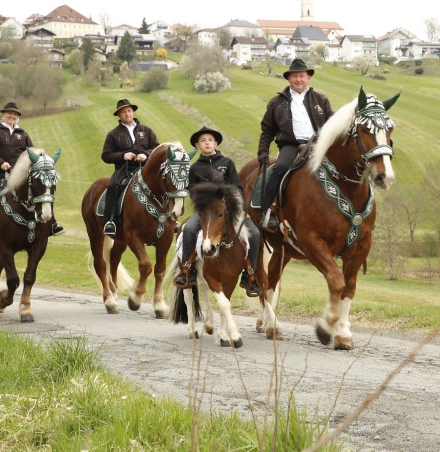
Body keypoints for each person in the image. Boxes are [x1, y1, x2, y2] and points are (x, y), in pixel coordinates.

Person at [173, 126, 261, 296]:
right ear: (198, 145)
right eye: (203, 140)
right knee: (189, 229)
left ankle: (250, 275)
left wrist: (230, 202)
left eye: (210, 140)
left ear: (216, 143)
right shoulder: (195, 168)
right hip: (206, 212)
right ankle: (186, 272)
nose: (207, 143)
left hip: (229, 210)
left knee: (255, 234)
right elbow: (191, 191)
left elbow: (237, 186)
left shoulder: (226, 162)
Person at [0, 102, 64, 244]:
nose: (12, 116)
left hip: (20, 174)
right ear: (3, 114)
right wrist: (1, 163)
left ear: (18, 117)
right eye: (9, 113)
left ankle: (52, 225)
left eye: (15, 114)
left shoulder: (23, 134)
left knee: (43, 191)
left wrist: (41, 158)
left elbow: (31, 152)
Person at [257, 58, 334, 230]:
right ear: (288, 79)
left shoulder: (321, 100)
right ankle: (269, 210)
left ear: (308, 78)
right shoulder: (276, 103)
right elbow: (267, 129)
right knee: (280, 168)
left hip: (318, 144)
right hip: (291, 146)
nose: (298, 80)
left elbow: (332, 123)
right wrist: (263, 150)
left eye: (302, 76)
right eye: (294, 77)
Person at [101, 98, 159, 236]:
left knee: (163, 183)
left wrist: (145, 154)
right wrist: (122, 156)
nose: (127, 114)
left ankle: (168, 218)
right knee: (112, 186)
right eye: (123, 112)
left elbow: (157, 148)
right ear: (119, 116)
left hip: (146, 168)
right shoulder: (113, 134)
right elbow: (106, 155)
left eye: (129, 111)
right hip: (123, 169)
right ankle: (110, 221)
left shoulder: (146, 130)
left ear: (132, 112)